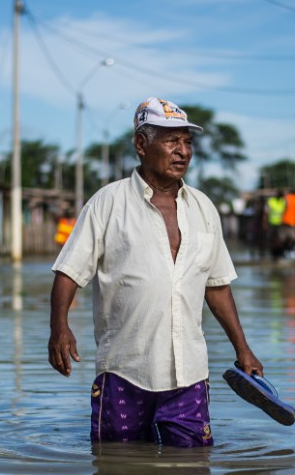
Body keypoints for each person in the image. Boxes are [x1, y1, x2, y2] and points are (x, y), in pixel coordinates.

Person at [47, 97, 263, 448]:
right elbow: (68, 272)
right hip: (125, 370)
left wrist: (244, 349)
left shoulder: (204, 208)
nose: (183, 152)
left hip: (189, 374)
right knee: (116, 472)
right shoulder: (107, 203)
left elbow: (218, 286)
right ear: (141, 145)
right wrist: (60, 327)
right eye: (171, 141)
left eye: (187, 142)